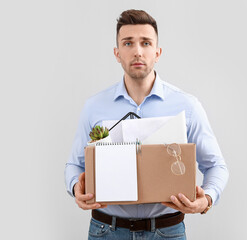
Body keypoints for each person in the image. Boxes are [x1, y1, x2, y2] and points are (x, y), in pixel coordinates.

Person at [65, 9, 229, 239]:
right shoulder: (94, 107)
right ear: (117, 52)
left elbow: (216, 165)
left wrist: (206, 200)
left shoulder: (187, 106)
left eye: (146, 43)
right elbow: (74, 165)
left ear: (157, 52)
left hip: (166, 231)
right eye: (128, 43)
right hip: (106, 231)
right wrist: (75, 188)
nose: (138, 51)